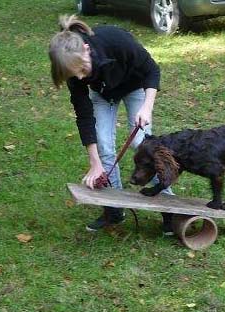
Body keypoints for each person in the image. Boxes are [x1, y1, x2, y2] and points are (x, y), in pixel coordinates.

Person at [48, 15, 173, 234]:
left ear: (87, 49)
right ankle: (114, 209)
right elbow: (84, 116)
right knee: (104, 146)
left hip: (135, 86)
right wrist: (94, 162)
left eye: (83, 70)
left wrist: (147, 107)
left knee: (141, 145)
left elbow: (152, 70)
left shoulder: (116, 40)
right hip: (105, 94)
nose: (79, 77)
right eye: (73, 75)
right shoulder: (73, 69)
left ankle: (170, 209)